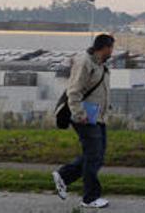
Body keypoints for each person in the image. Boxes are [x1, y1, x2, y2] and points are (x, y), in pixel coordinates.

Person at [53, 33, 113, 208]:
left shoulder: (101, 65)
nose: (112, 52)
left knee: (97, 156)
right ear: (104, 48)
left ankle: (64, 176)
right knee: (93, 155)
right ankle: (90, 197)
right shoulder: (84, 62)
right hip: (84, 117)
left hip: (97, 117)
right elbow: (74, 91)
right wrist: (80, 115)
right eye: (111, 48)